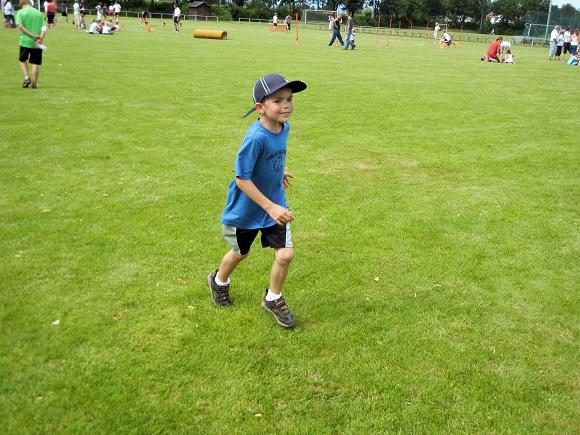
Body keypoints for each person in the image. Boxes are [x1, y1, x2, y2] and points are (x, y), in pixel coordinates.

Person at [208, 73, 307, 329]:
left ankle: (273, 298)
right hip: (247, 209)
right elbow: (242, 178)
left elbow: (272, 157)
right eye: (278, 100)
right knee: (240, 253)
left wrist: (277, 173)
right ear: (260, 108)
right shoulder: (255, 138)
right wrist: (270, 207)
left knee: (285, 255)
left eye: (289, 99)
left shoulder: (284, 127)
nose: (286, 105)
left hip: (275, 204)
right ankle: (219, 281)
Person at [16, 0, 46, 89]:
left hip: (25, 41)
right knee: (35, 63)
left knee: (22, 60)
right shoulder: (38, 13)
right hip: (37, 43)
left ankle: (26, 77)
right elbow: (44, 28)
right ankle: (34, 84)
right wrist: (40, 38)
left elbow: (20, 26)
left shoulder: (20, 12)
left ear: (22, 3)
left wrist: (32, 36)